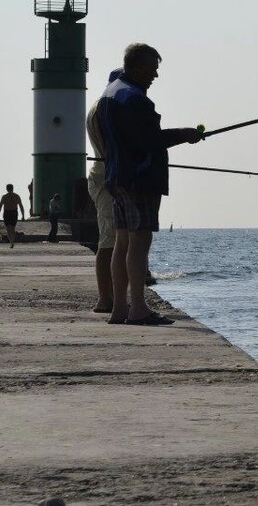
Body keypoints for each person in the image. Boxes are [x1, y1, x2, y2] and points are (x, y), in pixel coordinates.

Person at [98, 43, 202, 326]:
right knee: (140, 242)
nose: (155, 76)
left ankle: (121, 309)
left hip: (116, 177)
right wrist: (185, 134)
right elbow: (149, 141)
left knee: (122, 242)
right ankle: (139, 309)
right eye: (153, 70)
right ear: (139, 67)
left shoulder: (109, 94)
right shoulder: (135, 99)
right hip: (138, 180)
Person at [86, 69, 123, 313]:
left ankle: (112, 297)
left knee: (116, 241)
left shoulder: (99, 107)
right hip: (106, 180)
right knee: (108, 242)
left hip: (105, 177)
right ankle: (104, 299)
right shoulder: (104, 109)